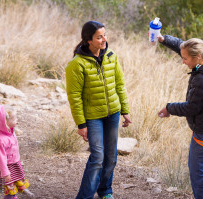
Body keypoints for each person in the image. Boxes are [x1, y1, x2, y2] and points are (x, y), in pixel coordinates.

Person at [157, 34, 203, 199]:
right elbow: (182, 46)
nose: (183, 61)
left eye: (185, 59)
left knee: (199, 174)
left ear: (197, 57)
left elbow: (191, 108)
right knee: (198, 170)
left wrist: (169, 108)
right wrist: (164, 39)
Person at [65, 21, 132, 199]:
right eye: (99, 37)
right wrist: (81, 123)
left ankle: (105, 191)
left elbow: (120, 84)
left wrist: (124, 110)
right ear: (88, 40)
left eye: (105, 35)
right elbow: (74, 96)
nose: (104, 39)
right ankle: (84, 196)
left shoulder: (111, 55)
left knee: (111, 157)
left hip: (113, 114)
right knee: (97, 157)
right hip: (93, 117)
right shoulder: (76, 64)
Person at [0, 105, 31, 199]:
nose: (17, 120)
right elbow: (0, 158)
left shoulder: (10, 131)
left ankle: (12, 196)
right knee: (9, 186)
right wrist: (5, 173)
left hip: (13, 164)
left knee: (12, 185)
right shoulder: (0, 139)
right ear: (5, 122)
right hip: (6, 168)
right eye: (14, 119)